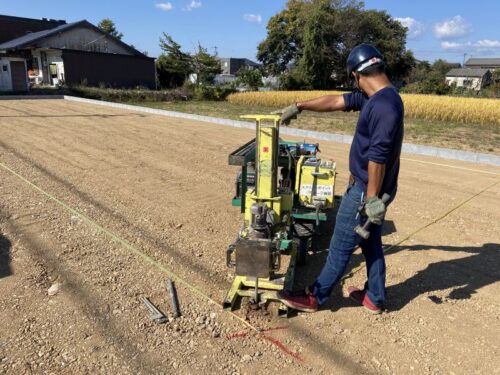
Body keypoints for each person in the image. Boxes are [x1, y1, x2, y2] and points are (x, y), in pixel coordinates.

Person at [275, 44, 404, 314]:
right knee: (370, 243)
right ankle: (375, 297)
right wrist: (298, 106)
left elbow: (377, 158)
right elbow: (336, 101)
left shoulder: (384, 107)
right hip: (373, 190)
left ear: (357, 75)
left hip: (366, 192)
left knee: (340, 246)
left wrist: (370, 199)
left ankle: (315, 296)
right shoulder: (375, 96)